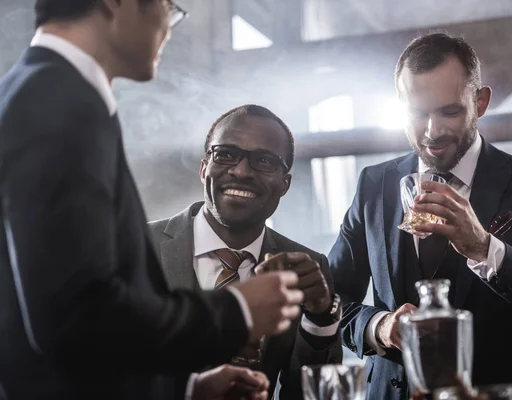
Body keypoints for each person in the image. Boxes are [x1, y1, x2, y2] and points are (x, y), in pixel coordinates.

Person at [0, 1, 304, 399]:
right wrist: (236, 312)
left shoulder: (41, 91)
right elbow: (76, 315)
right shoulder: (59, 105)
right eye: (167, 6)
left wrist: (185, 388)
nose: (169, 24)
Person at [328, 32, 512, 399]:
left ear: (480, 101)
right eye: (417, 113)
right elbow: (328, 301)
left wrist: (487, 249)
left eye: (450, 111)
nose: (432, 131)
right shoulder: (373, 184)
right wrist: (379, 325)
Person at [148, 104, 343, 400]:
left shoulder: (308, 266)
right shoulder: (139, 244)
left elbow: (310, 393)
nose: (240, 171)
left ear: (284, 183)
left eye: (264, 161)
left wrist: (320, 319)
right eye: (225, 154)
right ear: (204, 169)